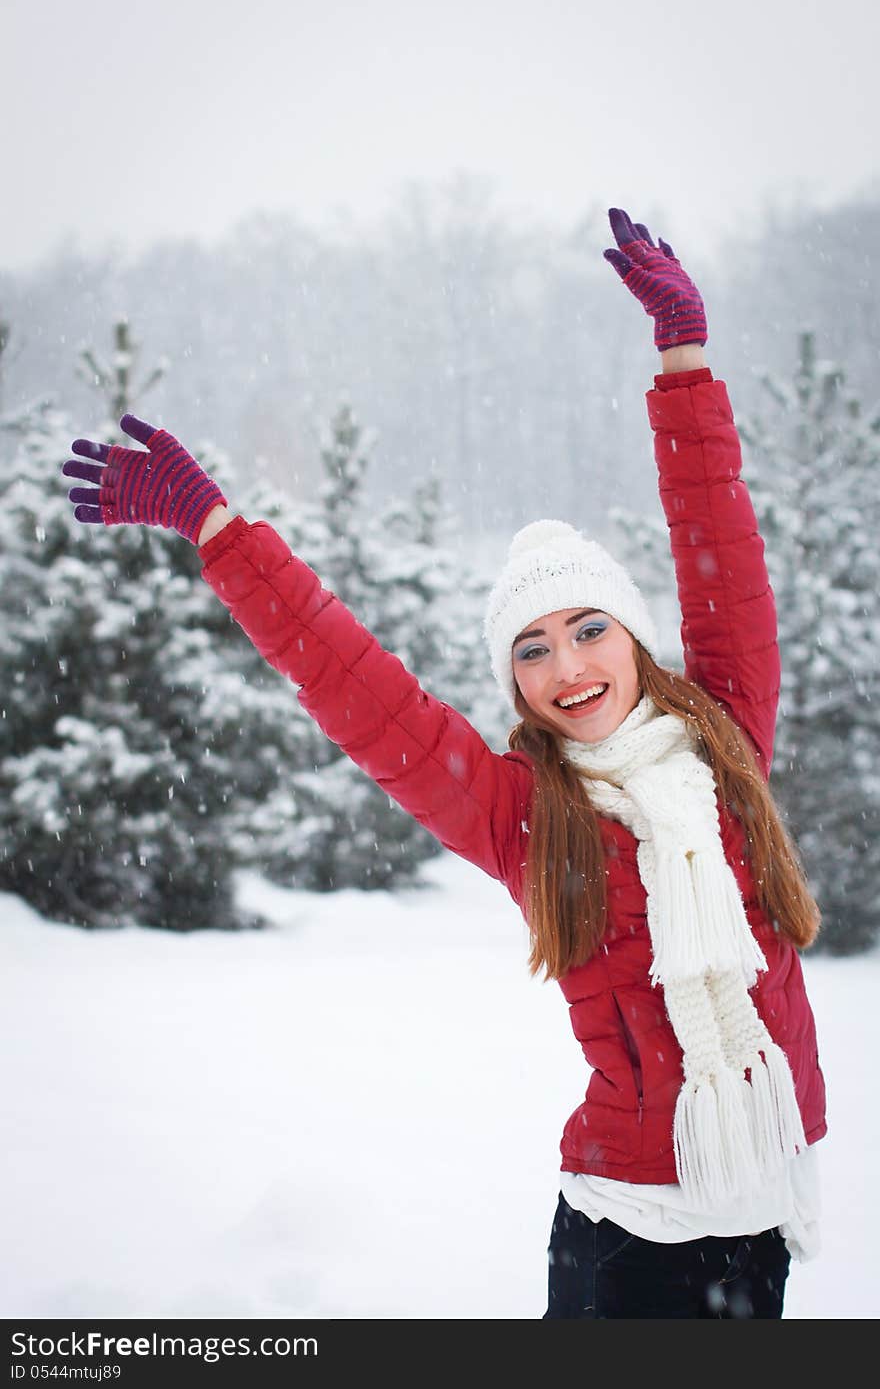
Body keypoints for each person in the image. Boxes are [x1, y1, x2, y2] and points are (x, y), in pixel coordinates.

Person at [62, 207, 827, 1319]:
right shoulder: (526, 817)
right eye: (532, 648)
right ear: (512, 683)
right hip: (626, 1234)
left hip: (759, 1219)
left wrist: (684, 357)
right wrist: (220, 532)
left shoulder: (725, 737)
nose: (566, 664)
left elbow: (719, 541)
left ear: (632, 635)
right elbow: (358, 689)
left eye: (586, 628)